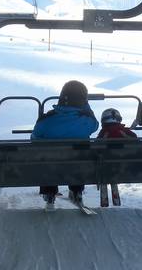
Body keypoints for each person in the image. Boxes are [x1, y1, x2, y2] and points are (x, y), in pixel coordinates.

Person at [32, 80, 98, 208]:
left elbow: (34, 139)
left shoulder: (46, 121)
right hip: (77, 166)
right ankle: (76, 191)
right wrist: (85, 106)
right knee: (79, 159)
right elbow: (95, 124)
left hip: (51, 166)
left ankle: (49, 193)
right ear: (83, 100)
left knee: (46, 158)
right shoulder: (87, 122)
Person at [96, 107, 138, 207]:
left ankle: (104, 200)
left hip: (105, 167)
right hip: (123, 166)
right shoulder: (124, 131)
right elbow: (135, 140)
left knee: (104, 168)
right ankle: (115, 198)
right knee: (113, 169)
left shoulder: (104, 132)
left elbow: (96, 146)